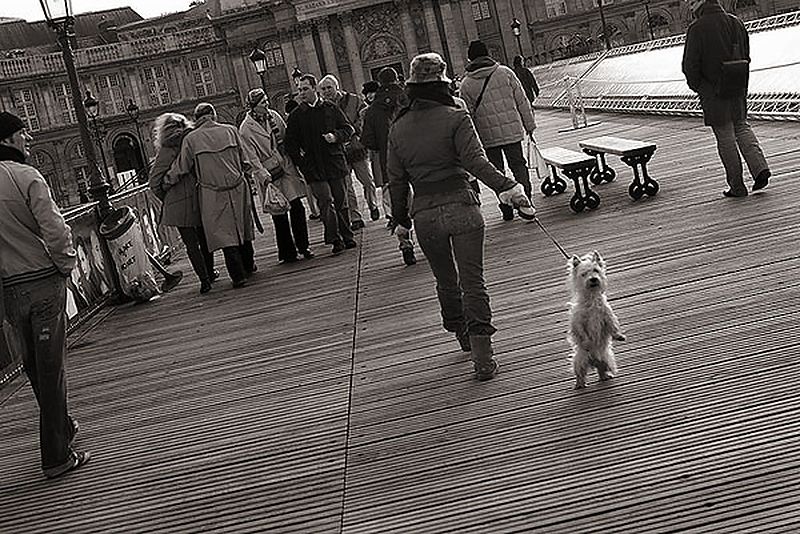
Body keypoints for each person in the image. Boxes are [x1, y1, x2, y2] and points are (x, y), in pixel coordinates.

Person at [386, 53, 535, 381]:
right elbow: (476, 162)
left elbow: (395, 181)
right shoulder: (456, 115)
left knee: (445, 280)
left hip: (425, 214)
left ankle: (461, 333)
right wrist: (508, 187)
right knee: (473, 282)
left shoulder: (397, 126)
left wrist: (400, 220)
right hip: (462, 205)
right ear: (442, 81)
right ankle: (483, 359)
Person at [0, 111, 90, 478]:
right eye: (23, 133)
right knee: (52, 369)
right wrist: (66, 265)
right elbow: (54, 229)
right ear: (7, 139)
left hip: (10, 290)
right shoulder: (26, 176)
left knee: (35, 367)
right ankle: (56, 457)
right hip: (41, 282)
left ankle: (63, 427)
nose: (29, 139)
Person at [682, 0, 770, 197]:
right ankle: (760, 168)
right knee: (741, 126)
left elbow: (690, 65)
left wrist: (699, 87)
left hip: (712, 90)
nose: (688, 5)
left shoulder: (697, 29)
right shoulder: (735, 22)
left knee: (725, 136)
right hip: (736, 84)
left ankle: (737, 186)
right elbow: (746, 55)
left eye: (691, 2)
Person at [169, 103, 256, 288]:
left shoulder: (192, 139)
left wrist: (166, 181)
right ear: (214, 115)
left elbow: (181, 167)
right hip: (238, 187)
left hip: (212, 192)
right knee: (242, 226)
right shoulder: (231, 131)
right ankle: (249, 265)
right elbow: (245, 160)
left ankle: (238, 276)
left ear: (197, 119)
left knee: (224, 234)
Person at [460, 40, 537, 221]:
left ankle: (506, 207)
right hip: (511, 131)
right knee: (519, 166)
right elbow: (522, 101)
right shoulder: (505, 72)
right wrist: (529, 126)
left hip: (486, 136)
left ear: (470, 59)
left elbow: (467, 116)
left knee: (497, 172)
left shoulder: (466, 83)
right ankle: (527, 203)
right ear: (488, 54)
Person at [285, 74, 357, 255]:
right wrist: (301, 163)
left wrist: (336, 136)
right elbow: (290, 144)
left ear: (314, 88)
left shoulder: (330, 108)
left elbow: (348, 129)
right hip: (313, 167)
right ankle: (335, 239)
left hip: (334, 162)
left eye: (305, 89)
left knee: (341, 201)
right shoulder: (296, 116)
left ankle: (347, 235)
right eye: (299, 90)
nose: (302, 93)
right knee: (325, 201)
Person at [240, 88, 313, 264]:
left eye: (266, 100)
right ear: (254, 106)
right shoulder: (245, 128)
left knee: (297, 206)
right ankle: (287, 252)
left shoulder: (273, 116)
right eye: (262, 102)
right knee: (279, 212)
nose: (266, 104)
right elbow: (250, 156)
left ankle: (303, 245)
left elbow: (286, 136)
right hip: (268, 172)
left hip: (284, 165)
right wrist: (262, 174)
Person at [149, 113, 218, 294]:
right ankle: (210, 272)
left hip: (178, 203)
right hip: (200, 196)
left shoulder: (166, 150)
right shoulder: (193, 140)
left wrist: (167, 197)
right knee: (204, 238)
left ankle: (204, 280)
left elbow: (154, 182)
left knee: (191, 244)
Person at [362, 67, 417, 266]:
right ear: (396, 79)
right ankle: (431, 236)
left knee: (398, 203)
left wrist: (384, 145)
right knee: (424, 196)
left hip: (390, 162)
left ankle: (405, 243)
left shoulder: (372, 110)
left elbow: (367, 140)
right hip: (416, 157)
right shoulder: (410, 100)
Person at [318, 74, 380, 227]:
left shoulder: (353, 100)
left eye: (329, 88)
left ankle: (372, 204)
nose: (326, 91)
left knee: (367, 181)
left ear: (337, 87)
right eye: (323, 89)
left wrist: (356, 131)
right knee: (347, 186)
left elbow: (364, 117)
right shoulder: (322, 108)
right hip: (339, 151)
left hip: (356, 148)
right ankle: (355, 217)